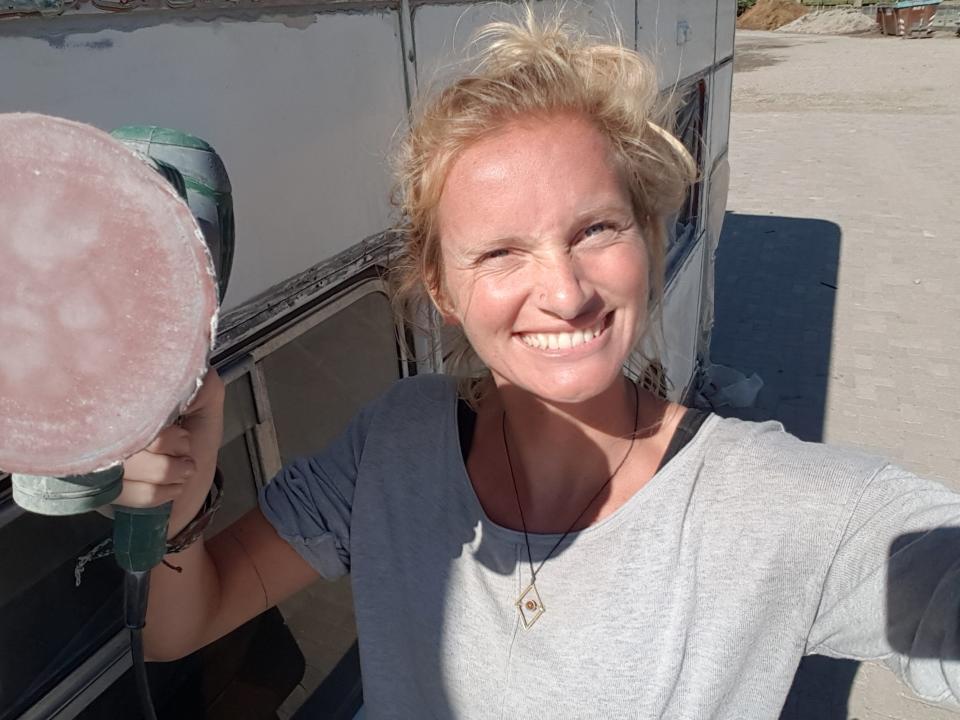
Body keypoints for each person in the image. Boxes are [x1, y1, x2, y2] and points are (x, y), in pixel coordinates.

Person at [119, 11, 960, 718]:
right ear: (441, 290)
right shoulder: (394, 446)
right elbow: (182, 624)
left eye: (596, 228)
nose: (563, 291)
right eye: (501, 252)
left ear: (649, 236)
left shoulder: (776, 506)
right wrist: (178, 515)